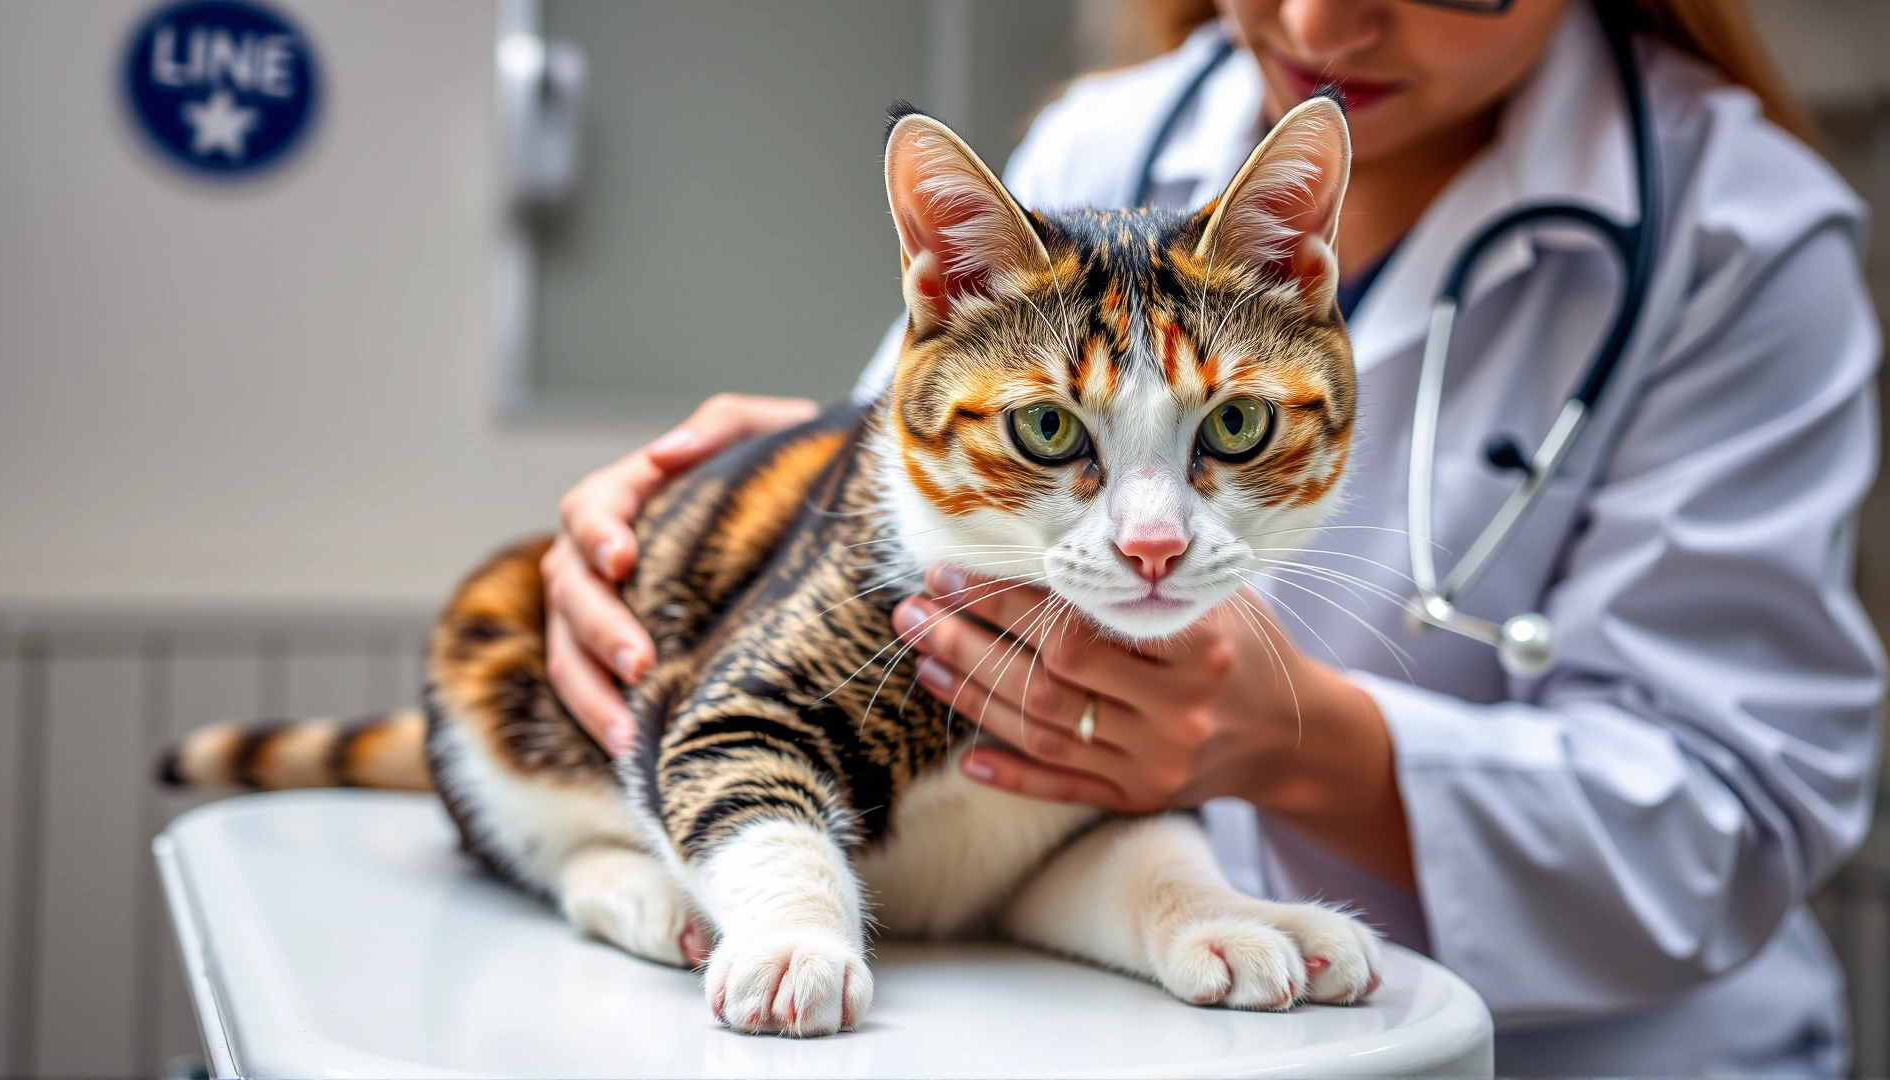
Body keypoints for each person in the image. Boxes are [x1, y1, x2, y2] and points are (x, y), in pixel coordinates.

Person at [541, 0, 1885, 1073]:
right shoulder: (1101, 137)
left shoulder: (1739, 234)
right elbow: (921, 500)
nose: (1320, 23)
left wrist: (1295, 736)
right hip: (1154, 1020)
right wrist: (716, 508)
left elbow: (1746, 817)